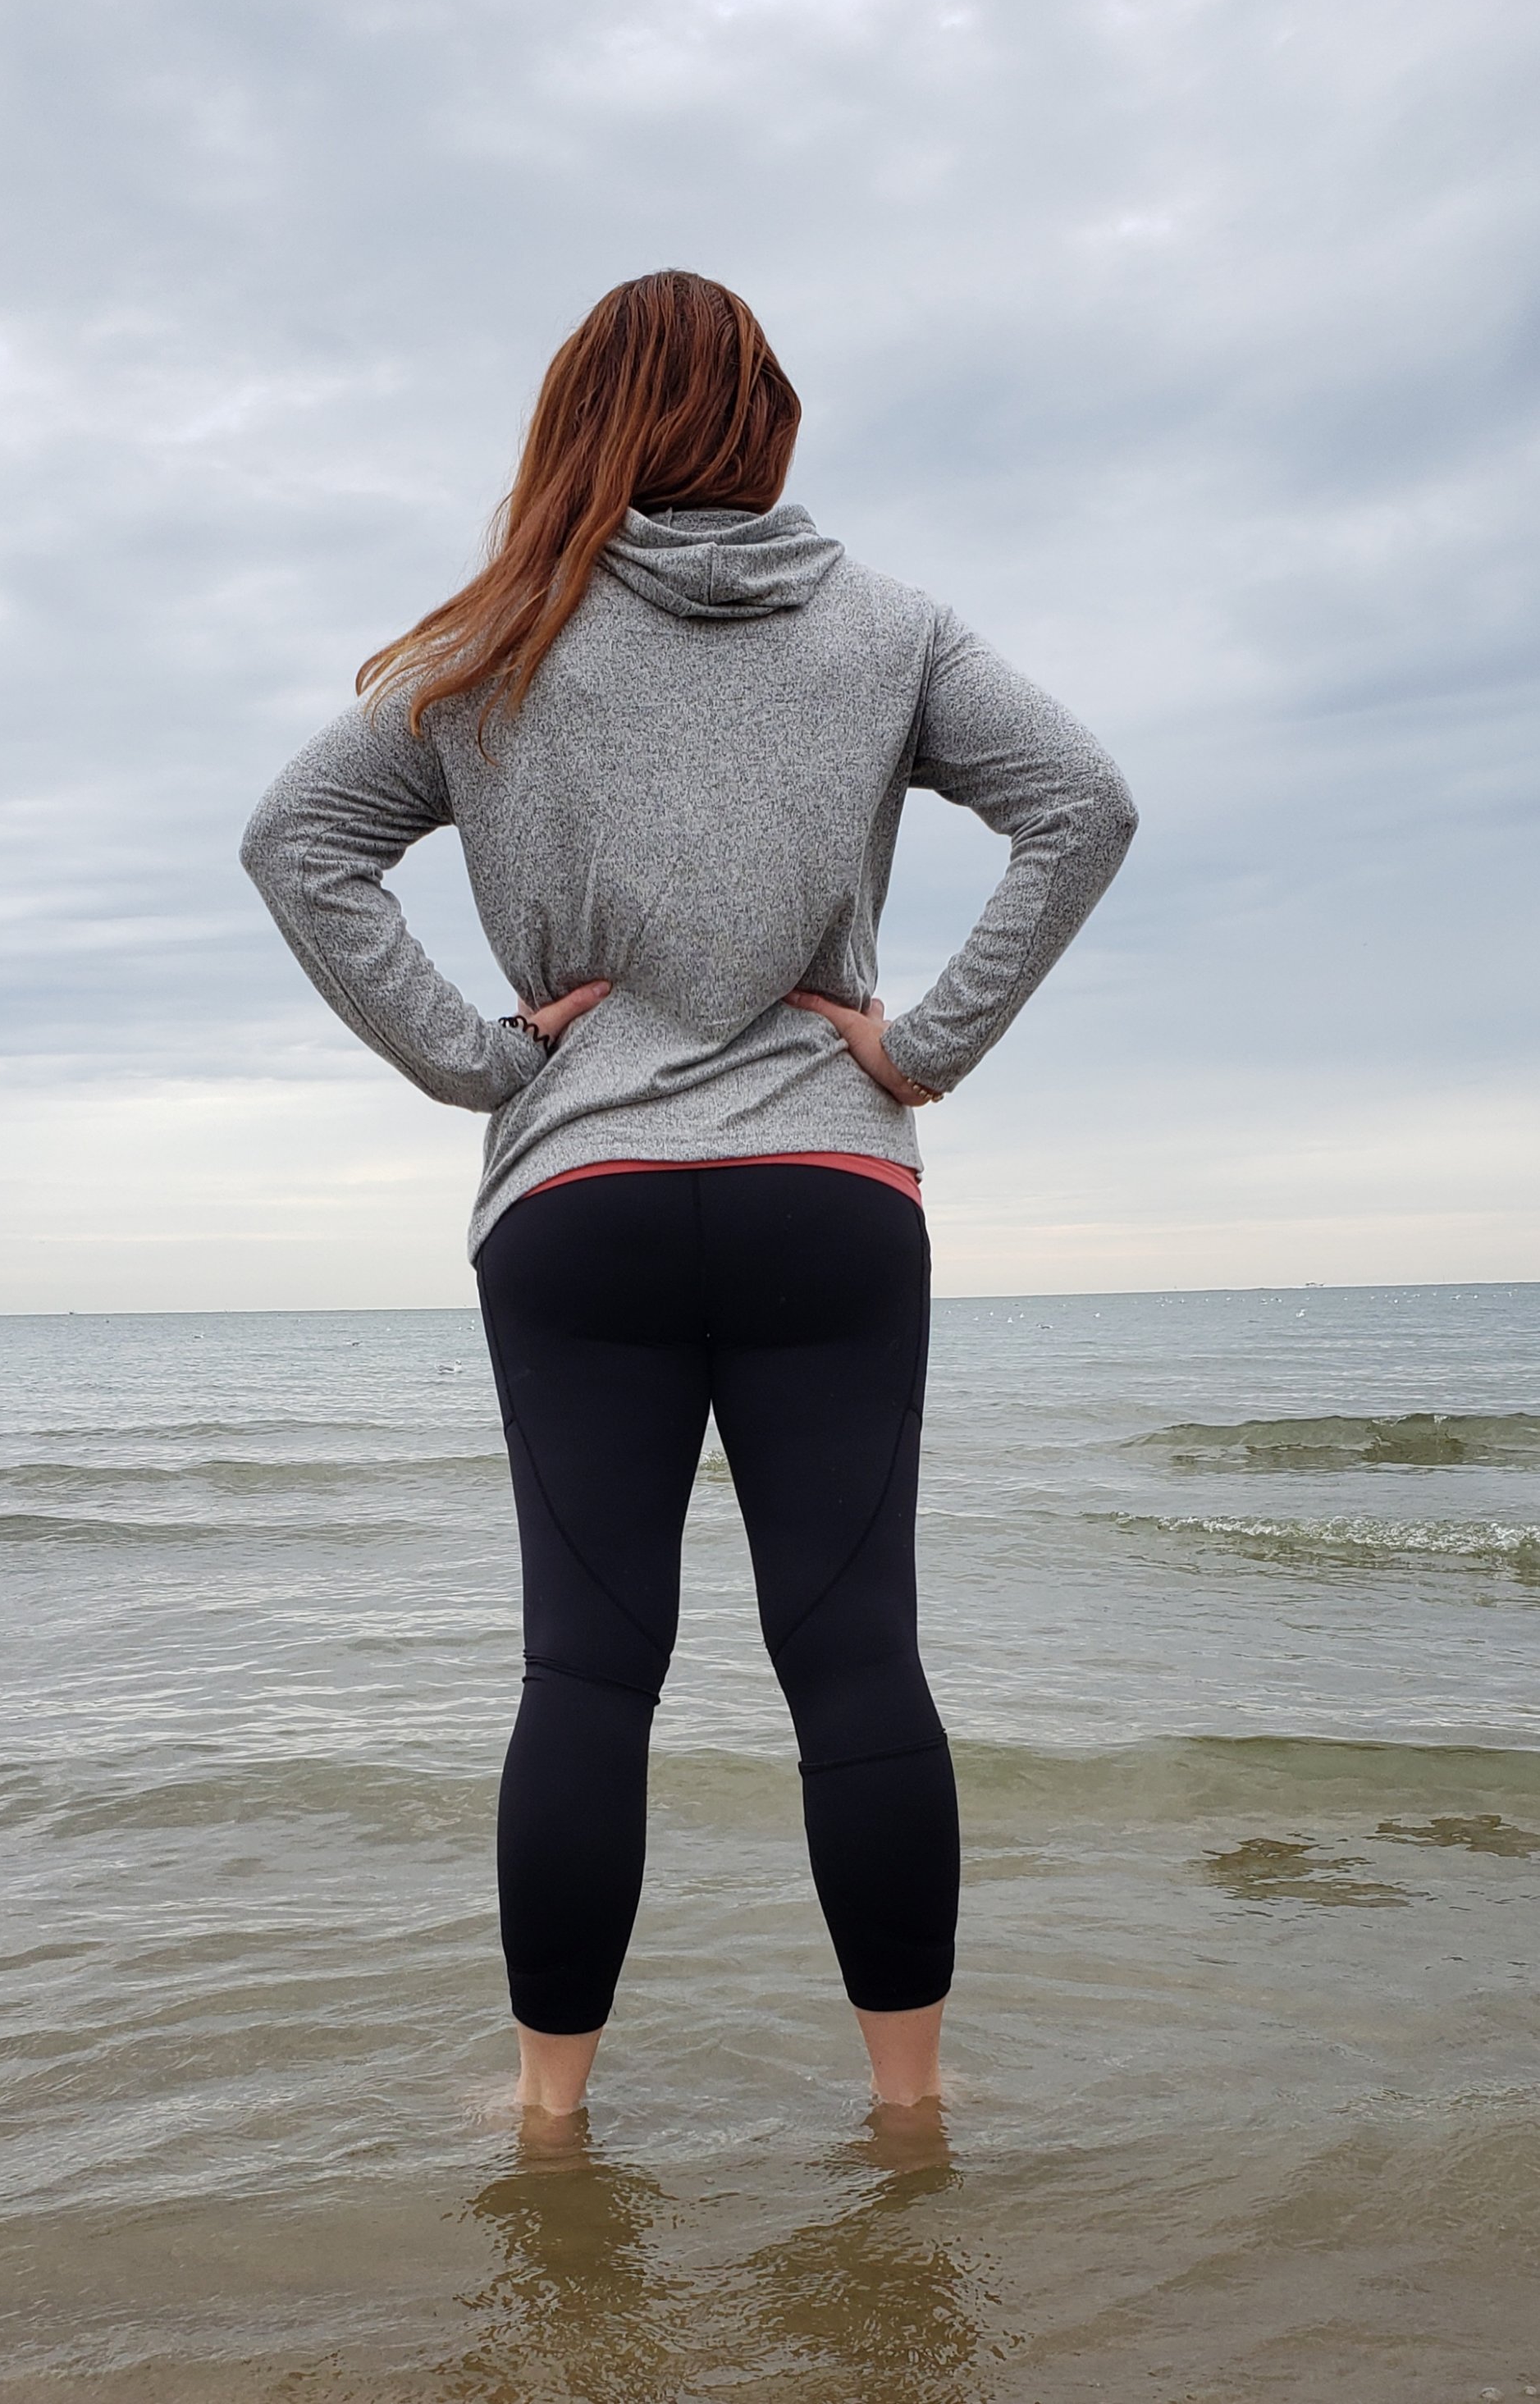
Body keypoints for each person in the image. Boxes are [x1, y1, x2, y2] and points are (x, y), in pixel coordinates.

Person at [241, 270, 1136, 2120]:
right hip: (827, 1184)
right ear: (771, 418)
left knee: (588, 1670)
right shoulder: (889, 628)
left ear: (581, 426)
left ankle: (552, 2121)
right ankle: (910, 2110)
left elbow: (297, 843)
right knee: (856, 1659)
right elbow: (1085, 803)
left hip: (583, 1204)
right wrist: (922, 1046)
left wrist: (485, 1062)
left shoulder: (500, 639)